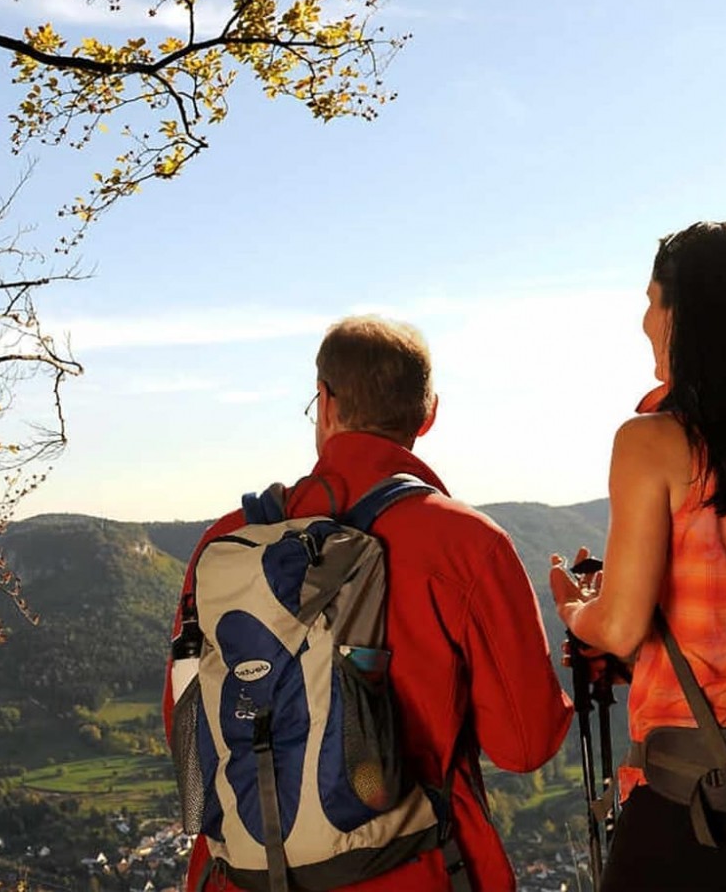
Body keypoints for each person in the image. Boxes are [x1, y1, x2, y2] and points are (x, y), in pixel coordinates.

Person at [165, 314, 573, 892]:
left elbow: (184, 724)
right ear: (428, 414)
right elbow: (525, 746)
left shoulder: (227, 543)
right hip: (416, 871)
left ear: (324, 402)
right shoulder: (466, 544)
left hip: (241, 876)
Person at [549, 221, 726, 892]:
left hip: (698, 800)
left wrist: (575, 608)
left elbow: (618, 627)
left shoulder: (653, 441)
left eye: (652, 300)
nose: (644, 319)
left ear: (685, 313)